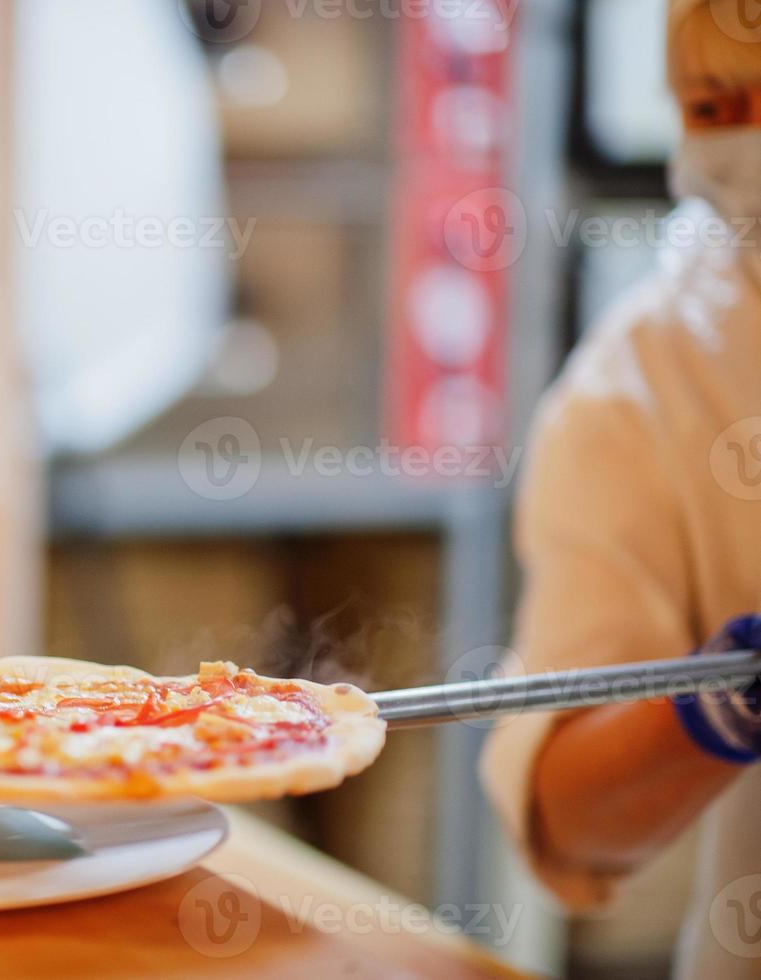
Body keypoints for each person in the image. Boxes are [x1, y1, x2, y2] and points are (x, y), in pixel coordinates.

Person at [480, 2, 761, 976]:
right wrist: (726, 698)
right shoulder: (647, 383)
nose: (745, 131)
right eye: (717, 104)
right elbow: (566, 810)